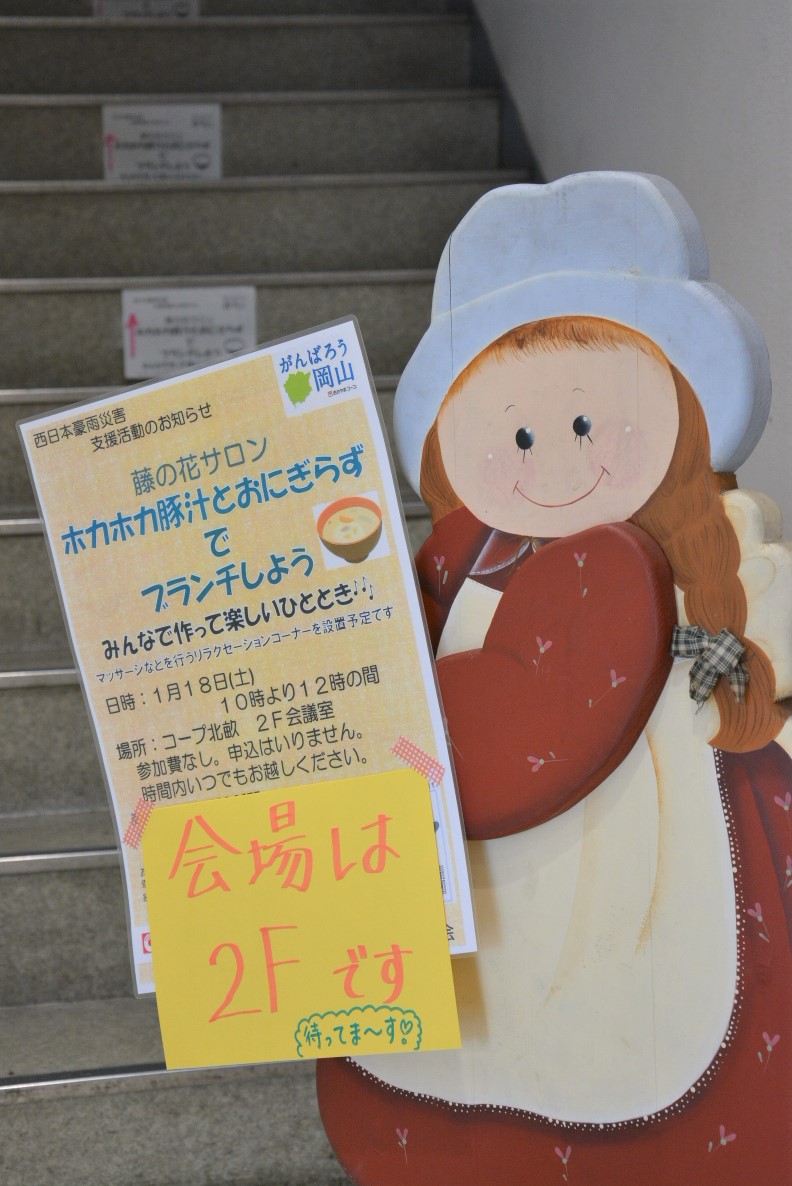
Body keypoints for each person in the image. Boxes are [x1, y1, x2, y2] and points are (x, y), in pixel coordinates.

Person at [317, 174, 792, 1184]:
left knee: (645, 1016)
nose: (553, 463)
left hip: (647, 850)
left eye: (587, 425)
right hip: (475, 868)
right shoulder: (444, 576)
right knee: (473, 1042)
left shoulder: (698, 570)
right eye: (519, 435)